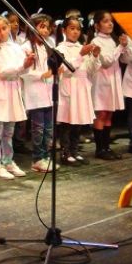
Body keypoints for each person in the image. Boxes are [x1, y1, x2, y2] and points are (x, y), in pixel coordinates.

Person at [0, 15, 35, 179]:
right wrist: (22, 65)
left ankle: (8, 161)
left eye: (4, 28)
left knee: (9, 132)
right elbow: (2, 71)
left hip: (13, 91)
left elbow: (23, 71)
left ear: (9, 27)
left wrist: (27, 63)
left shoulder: (15, 47)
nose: (1, 33)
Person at [54, 16, 98, 165]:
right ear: (64, 30)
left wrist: (95, 57)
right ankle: (65, 153)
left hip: (81, 87)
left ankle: (74, 151)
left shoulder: (81, 47)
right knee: (67, 121)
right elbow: (65, 70)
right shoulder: (60, 48)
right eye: (72, 28)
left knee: (78, 121)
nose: (75, 32)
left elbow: (90, 70)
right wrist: (80, 55)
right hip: (69, 87)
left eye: (78, 29)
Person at [88, 10, 128, 160]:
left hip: (112, 79)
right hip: (102, 81)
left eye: (111, 21)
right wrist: (121, 47)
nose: (110, 24)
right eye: (105, 21)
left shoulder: (111, 40)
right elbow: (106, 61)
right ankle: (100, 149)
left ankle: (107, 147)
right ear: (97, 25)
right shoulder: (96, 41)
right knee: (101, 114)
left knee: (109, 113)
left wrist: (122, 46)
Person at [21, 13, 57, 173]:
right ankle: (37, 159)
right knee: (38, 128)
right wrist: (42, 75)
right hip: (35, 93)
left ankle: (46, 156)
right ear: (32, 27)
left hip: (48, 92)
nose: (45, 30)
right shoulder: (26, 47)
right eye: (42, 27)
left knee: (48, 129)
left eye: (47, 27)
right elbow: (23, 72)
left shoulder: (47, 46)